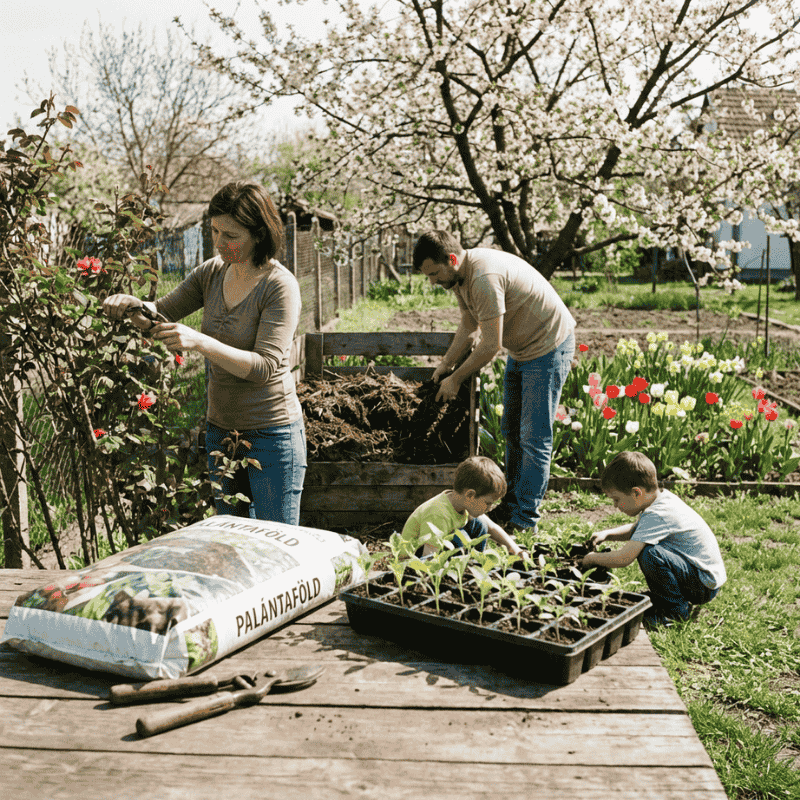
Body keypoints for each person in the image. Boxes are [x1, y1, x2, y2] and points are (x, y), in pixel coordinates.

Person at [103, 181, 306, 525]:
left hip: (272, 436)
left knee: (275, 550)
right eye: (214, 230)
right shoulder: (212, 273)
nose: (219, 242)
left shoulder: (278, 286)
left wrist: (199, 342)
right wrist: (134, 307)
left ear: (259, 234)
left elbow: (266, 367)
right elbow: (162, 312)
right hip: (221, 434)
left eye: (231, 235)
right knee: (231, 543)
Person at [412, 230, 576, 534]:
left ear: (452, 259)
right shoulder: (460, 279)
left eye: (434, 273)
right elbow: (468, 326)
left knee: (533, 436)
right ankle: (510, 505)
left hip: (548, 346)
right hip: (523, 348)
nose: (432, 281)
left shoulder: (483, 277)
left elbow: (490, 346)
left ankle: (525, 519)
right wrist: (445, 366)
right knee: (511, 429)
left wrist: (456, 379)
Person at [581, 451, 727, 627]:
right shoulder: (661, 501)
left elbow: (624, 558)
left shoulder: (657, 514)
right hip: (703, 577)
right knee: (649, 549)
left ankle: (675, 612)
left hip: (702, 585)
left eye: (616, 499)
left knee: (650, 554)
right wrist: (608, 534)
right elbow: (637, 530)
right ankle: (665, 599)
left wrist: (591, 559)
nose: (615, 505)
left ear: (636, 493)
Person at [401, 456, 524, 557]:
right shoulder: (439, 514)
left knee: (481, 524)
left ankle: (475, 560)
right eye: (488, 503)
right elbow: (428, 556)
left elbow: (491, 527)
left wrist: (515, 549)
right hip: (416, 556)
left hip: (435, 547)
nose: (490, 508)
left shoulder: (462, 502)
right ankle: (460, 568)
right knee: (460, 538)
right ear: (470, 495)